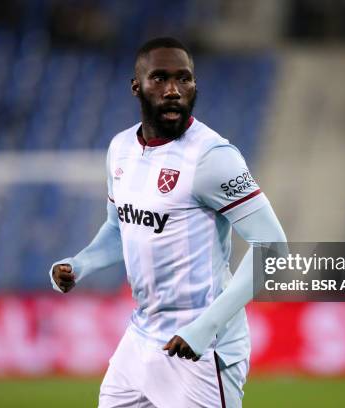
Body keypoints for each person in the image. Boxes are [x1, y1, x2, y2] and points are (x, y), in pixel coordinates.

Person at [50, 37, 286, 407]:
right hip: (142, 335)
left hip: (201, 350)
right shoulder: (121, 149)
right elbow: (119, 227)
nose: (173, 90)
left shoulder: (212, 157)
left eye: (184, 79)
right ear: (136, 86)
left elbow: (273, 247)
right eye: (159, 78)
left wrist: (203, 329)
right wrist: (79, 264)